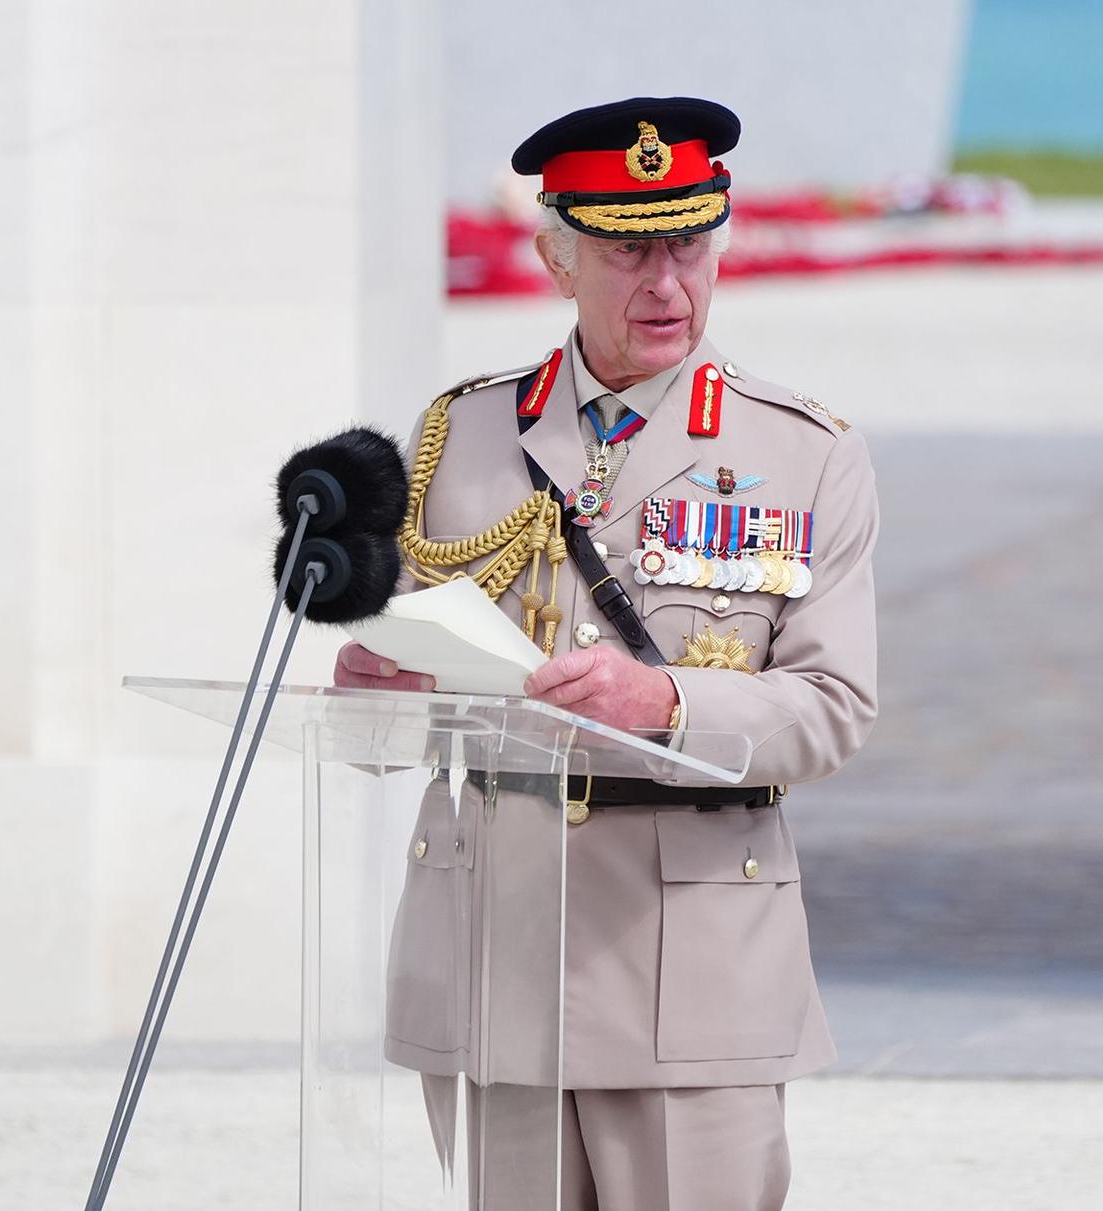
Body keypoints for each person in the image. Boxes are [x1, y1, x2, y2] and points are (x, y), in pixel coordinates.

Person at [334, 96, 879, 1211]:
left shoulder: (801, 452)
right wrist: (377, 693)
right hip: (497, 944)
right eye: (632, 253)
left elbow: (833, 706)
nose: (669, 284)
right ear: (556, 258)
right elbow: (407, 711)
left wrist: (666, 698)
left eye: (689, 244)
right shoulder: (462, 434)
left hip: (691, 953)